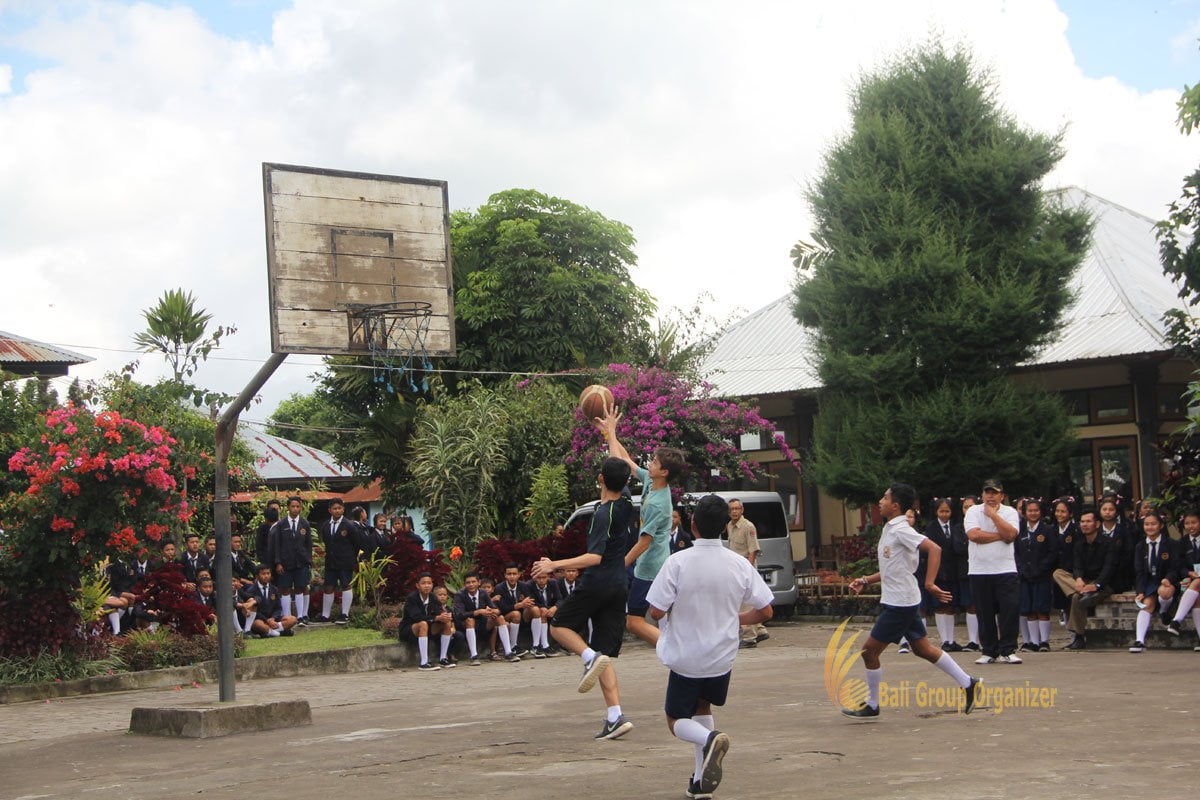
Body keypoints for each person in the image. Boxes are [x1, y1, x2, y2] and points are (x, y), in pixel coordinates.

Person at [647, 494, 774, 799]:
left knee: (675, 720)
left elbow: (656, 611)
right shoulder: (738, 563)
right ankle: (700, 780)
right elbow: (766, 611)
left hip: (687, 656)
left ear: (692, 524)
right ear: (724, 526)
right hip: (721, 657)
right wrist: (736, 618)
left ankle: (709, 738)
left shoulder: (677, 562)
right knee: (703, 707)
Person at [843, 483, 980, 719]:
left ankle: (873, 705)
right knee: (922, 649)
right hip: (902, 600)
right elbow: (893, 567)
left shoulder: (901, 530)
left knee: (869, 652)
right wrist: (866, 580)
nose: (880, 502)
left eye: (885, 498)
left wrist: (930, 583)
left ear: (895, 506)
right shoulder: (890, 528)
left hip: (900, 604)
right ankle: (969, 683)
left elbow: (934, 549)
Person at [532, 456, 636, 741]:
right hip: (619, 585)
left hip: (598, 581)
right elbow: (619, 462)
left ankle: (589, 657)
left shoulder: (603, 514)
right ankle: (615, 716)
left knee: (559, 626)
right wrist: (610, 434)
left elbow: (594, 557)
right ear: (625, 482)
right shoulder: (627, 502)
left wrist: (554, 565)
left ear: (600, 479)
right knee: (605, 655)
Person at [594, 406, 685, 647]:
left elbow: (645, 542)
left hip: (651, 567)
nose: (650, 463)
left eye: (655, 462)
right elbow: (625, 461)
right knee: (657, 614)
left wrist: (620, 564)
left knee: (634, 622)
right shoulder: (651, 482)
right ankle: (679, 645)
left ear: (664, 472)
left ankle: (673, 650)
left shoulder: (658, 503)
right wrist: (609, 433)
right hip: (647, 564)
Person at [964, 478, 1022, 664]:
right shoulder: (973, 511)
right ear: (982, 495)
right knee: (984, 613)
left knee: (1009, 610)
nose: (990, 496)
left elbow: (1011, 535)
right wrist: (1000, 535)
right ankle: (989, 651)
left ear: (1001, 496)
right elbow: (974, 535)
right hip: (979, 570)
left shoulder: (1009, 512)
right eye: (987, 492)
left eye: (994, 493)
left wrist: (994, 516)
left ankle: (1008, 650)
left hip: (1005, 569)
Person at [1051, 509, 1116, 650]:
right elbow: (1077, 565)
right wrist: (1079, 579)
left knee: (1076, 598)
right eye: (1082, 522)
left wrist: (1096, 585)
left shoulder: (1108, 543)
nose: (1084, 524)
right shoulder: (1080, 543)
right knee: (1058, 573)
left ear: (1097, 524)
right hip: (1084, 582)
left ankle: (1079, 637)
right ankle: (1083, 591)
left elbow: (1108, 569)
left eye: (1088, 521)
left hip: (1103, 584)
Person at [1129, 510, 1181, 652]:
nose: (1150, 527)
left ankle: (1164, 611)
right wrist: (1140, 591)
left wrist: (1168, 579)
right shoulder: (1140, 546)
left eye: (1153, 524)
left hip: (1167, 581)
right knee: (1147, 604)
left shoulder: (1171, 544)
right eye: (1147, 524)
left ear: (1161, 525)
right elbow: (1139, 571)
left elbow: (1175, 567)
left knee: (1164, 592)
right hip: (1150, 582)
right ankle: (1139, 641)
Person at [1015, 498, 1058, 652]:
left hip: (1042, 575)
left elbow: (1053, 552)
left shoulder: (1047, 529)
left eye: (1036, 510)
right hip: (1024, 576)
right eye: (1030, 510)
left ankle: (1044, 642)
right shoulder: (1019, 529)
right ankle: (1033, 642)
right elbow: (1015, 552)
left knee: (1042, 608)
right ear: (1025, 512)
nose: (1033, 513)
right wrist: (1022, 568)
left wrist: (1041, 568)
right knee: (1029, 609)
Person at [923, 497, 964, 652]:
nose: (945, 514)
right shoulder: (931, 528)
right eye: (941, 511)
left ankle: (951, 640)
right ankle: (944, 640)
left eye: (947, 511)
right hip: (938, 572)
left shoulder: (956, 526)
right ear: (936, 512)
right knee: (940, 606)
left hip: (953, 571)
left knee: (950, 606)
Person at [726, 498, 768, 648]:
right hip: (735, 568)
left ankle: (749, 637)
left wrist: (748, 570)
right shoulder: (730, 526)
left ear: (742, 510)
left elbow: (753, 550)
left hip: (746, 568)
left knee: (745, 603)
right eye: (732, 509)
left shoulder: (748, 526)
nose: (734, 511)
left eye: (737, 508)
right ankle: (760, 630)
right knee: (745, 600)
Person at [268, 496, 313, 626]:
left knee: (300, 588)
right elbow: (277, 545)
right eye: (293, 506)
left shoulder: (305, 524)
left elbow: (308, 544)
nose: (295, 509)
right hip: (285, 562)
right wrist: (278, 562)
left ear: (301, 508)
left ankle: (301, 616)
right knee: (285, 589)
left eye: (297, 506)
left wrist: (308, 560)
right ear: (288, 507)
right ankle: (286, 617)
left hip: (301, 561)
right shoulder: (281, 524)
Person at [317, 498, 361, 624]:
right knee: (328, 587)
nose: (337, 511)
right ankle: (325, 615)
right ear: (329, 510)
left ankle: (344, 614)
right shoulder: (326, 525)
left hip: (345, 561)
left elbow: (356, 543)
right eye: (334, 508)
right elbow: (326, 542)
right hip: (330, 561)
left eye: (339, 508)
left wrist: (353, 559)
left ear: (343, 509)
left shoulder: (349, 525)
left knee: (346, 585)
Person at [400, 572, 455, 671]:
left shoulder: (433, 597)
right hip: (409, 629)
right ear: (418, 585)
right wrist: (436, 618)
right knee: (423, 623)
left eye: (429, 583)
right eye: (423, 583)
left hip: (427, 628)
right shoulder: (412, 598)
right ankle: (424, 663)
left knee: (446, 622)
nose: (426, 586)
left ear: (432, 585)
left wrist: (444, 616)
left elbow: (438, 611)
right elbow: (416, 617)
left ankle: (443, 658)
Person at [453, 572, 503, 665]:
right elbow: (459, 615)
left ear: (479, 582)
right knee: (470, 620)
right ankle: (474, 656)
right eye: (468, 582)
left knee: (499, 618)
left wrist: (493, 611)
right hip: (464, 625)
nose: (471, 584)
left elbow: (495, 608)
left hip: (482, 623)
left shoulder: (483, 593)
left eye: (473, 582)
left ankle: (508, 652)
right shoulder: (459, 595)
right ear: (464, 584)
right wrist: (478, 611)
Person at [1166, 508, 1200, 644]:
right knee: (1197, 599)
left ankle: (1176, 620)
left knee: (1197, 583)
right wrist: (1189, 573)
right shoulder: (1182, 543)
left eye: (1194, 522)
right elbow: (1179, 566)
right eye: (1187, 523)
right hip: (1192, 580)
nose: (1191, 526)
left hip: (1196, 582)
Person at [238, 563, 297, 638]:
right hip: (260, 619)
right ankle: (280, 633)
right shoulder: (251, 590)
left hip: (273, 619)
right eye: (263, 574)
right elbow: (254, 611)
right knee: (258, 625)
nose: (266, 576)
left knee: (293, 619)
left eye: (268, 573)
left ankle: (269, 632)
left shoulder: (274, 589)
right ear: (257, 576)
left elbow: (278, 608)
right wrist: (267, 620)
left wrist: (273, 618)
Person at [495, 564, 534, 658]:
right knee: (516, 614)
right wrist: (518, 605)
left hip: (522, 616)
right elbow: (502, 609)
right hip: (504, 616)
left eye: (514, 574)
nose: (512, 576)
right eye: (509, 574)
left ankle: (538, 646)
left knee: (533, 609)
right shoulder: (499, 588)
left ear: (519, 574)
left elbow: (530, 600)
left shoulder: (523, 586)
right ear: (505, 575)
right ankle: (513, 646)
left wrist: (526, 603)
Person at [1051, 497, 1078, 626]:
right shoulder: (1052, 530)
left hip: (1072, 572)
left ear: (1070, 513)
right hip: (1057, 572)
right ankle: (1069, 630)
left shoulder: (1076, 530)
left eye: (1063, 511)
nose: (1059, 514)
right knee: (1064, 604)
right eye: (1057, 511)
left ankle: (1076, 632)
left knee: (1074, 601)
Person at [1099, 496, 1135, 593]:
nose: (1107, 512)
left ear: (1116, 512)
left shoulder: (1124, 531)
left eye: (1111, 509)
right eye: (1104, 509)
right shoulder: (1096, 531)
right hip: (1099, 574)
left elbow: (1129, 553)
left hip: (1120, 575)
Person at [527, 570, 560, 658]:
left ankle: (545, 646)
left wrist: (555, 607)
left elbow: (560, 599)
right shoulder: (529, 585)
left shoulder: (553, 583)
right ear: (534, 578)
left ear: (548, 577)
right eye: (539, 578)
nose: (541, 580)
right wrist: (545, 608)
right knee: (539, 610)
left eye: (544, 577)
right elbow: (532, 601)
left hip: (549, 610)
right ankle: (536, 646)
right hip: (531, 613)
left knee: (544, 611)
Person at [479, 576, 513, 660]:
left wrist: (495, 610)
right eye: (484, 587)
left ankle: (505, 649)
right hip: (481, 623)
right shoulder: (479, 598)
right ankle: (493, 652)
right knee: (495, 627)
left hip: (494, 620)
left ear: (493, 589)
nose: (486, 589)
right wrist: (491, 600)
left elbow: (500, 610)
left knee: (507, 624)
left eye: (488, 587)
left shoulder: (497, 598)